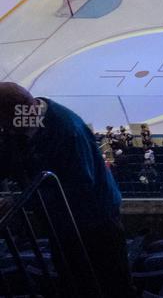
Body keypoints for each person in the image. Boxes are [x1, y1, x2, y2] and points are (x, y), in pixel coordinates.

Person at [0, 83, 132, 297]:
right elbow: (8, 158)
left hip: (94, 219)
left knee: (110, 281)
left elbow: (79, 186)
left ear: (15, 113)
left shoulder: (67, 131)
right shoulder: (21, 123)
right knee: (72, 279)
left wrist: (20, 203)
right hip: (60, 221)